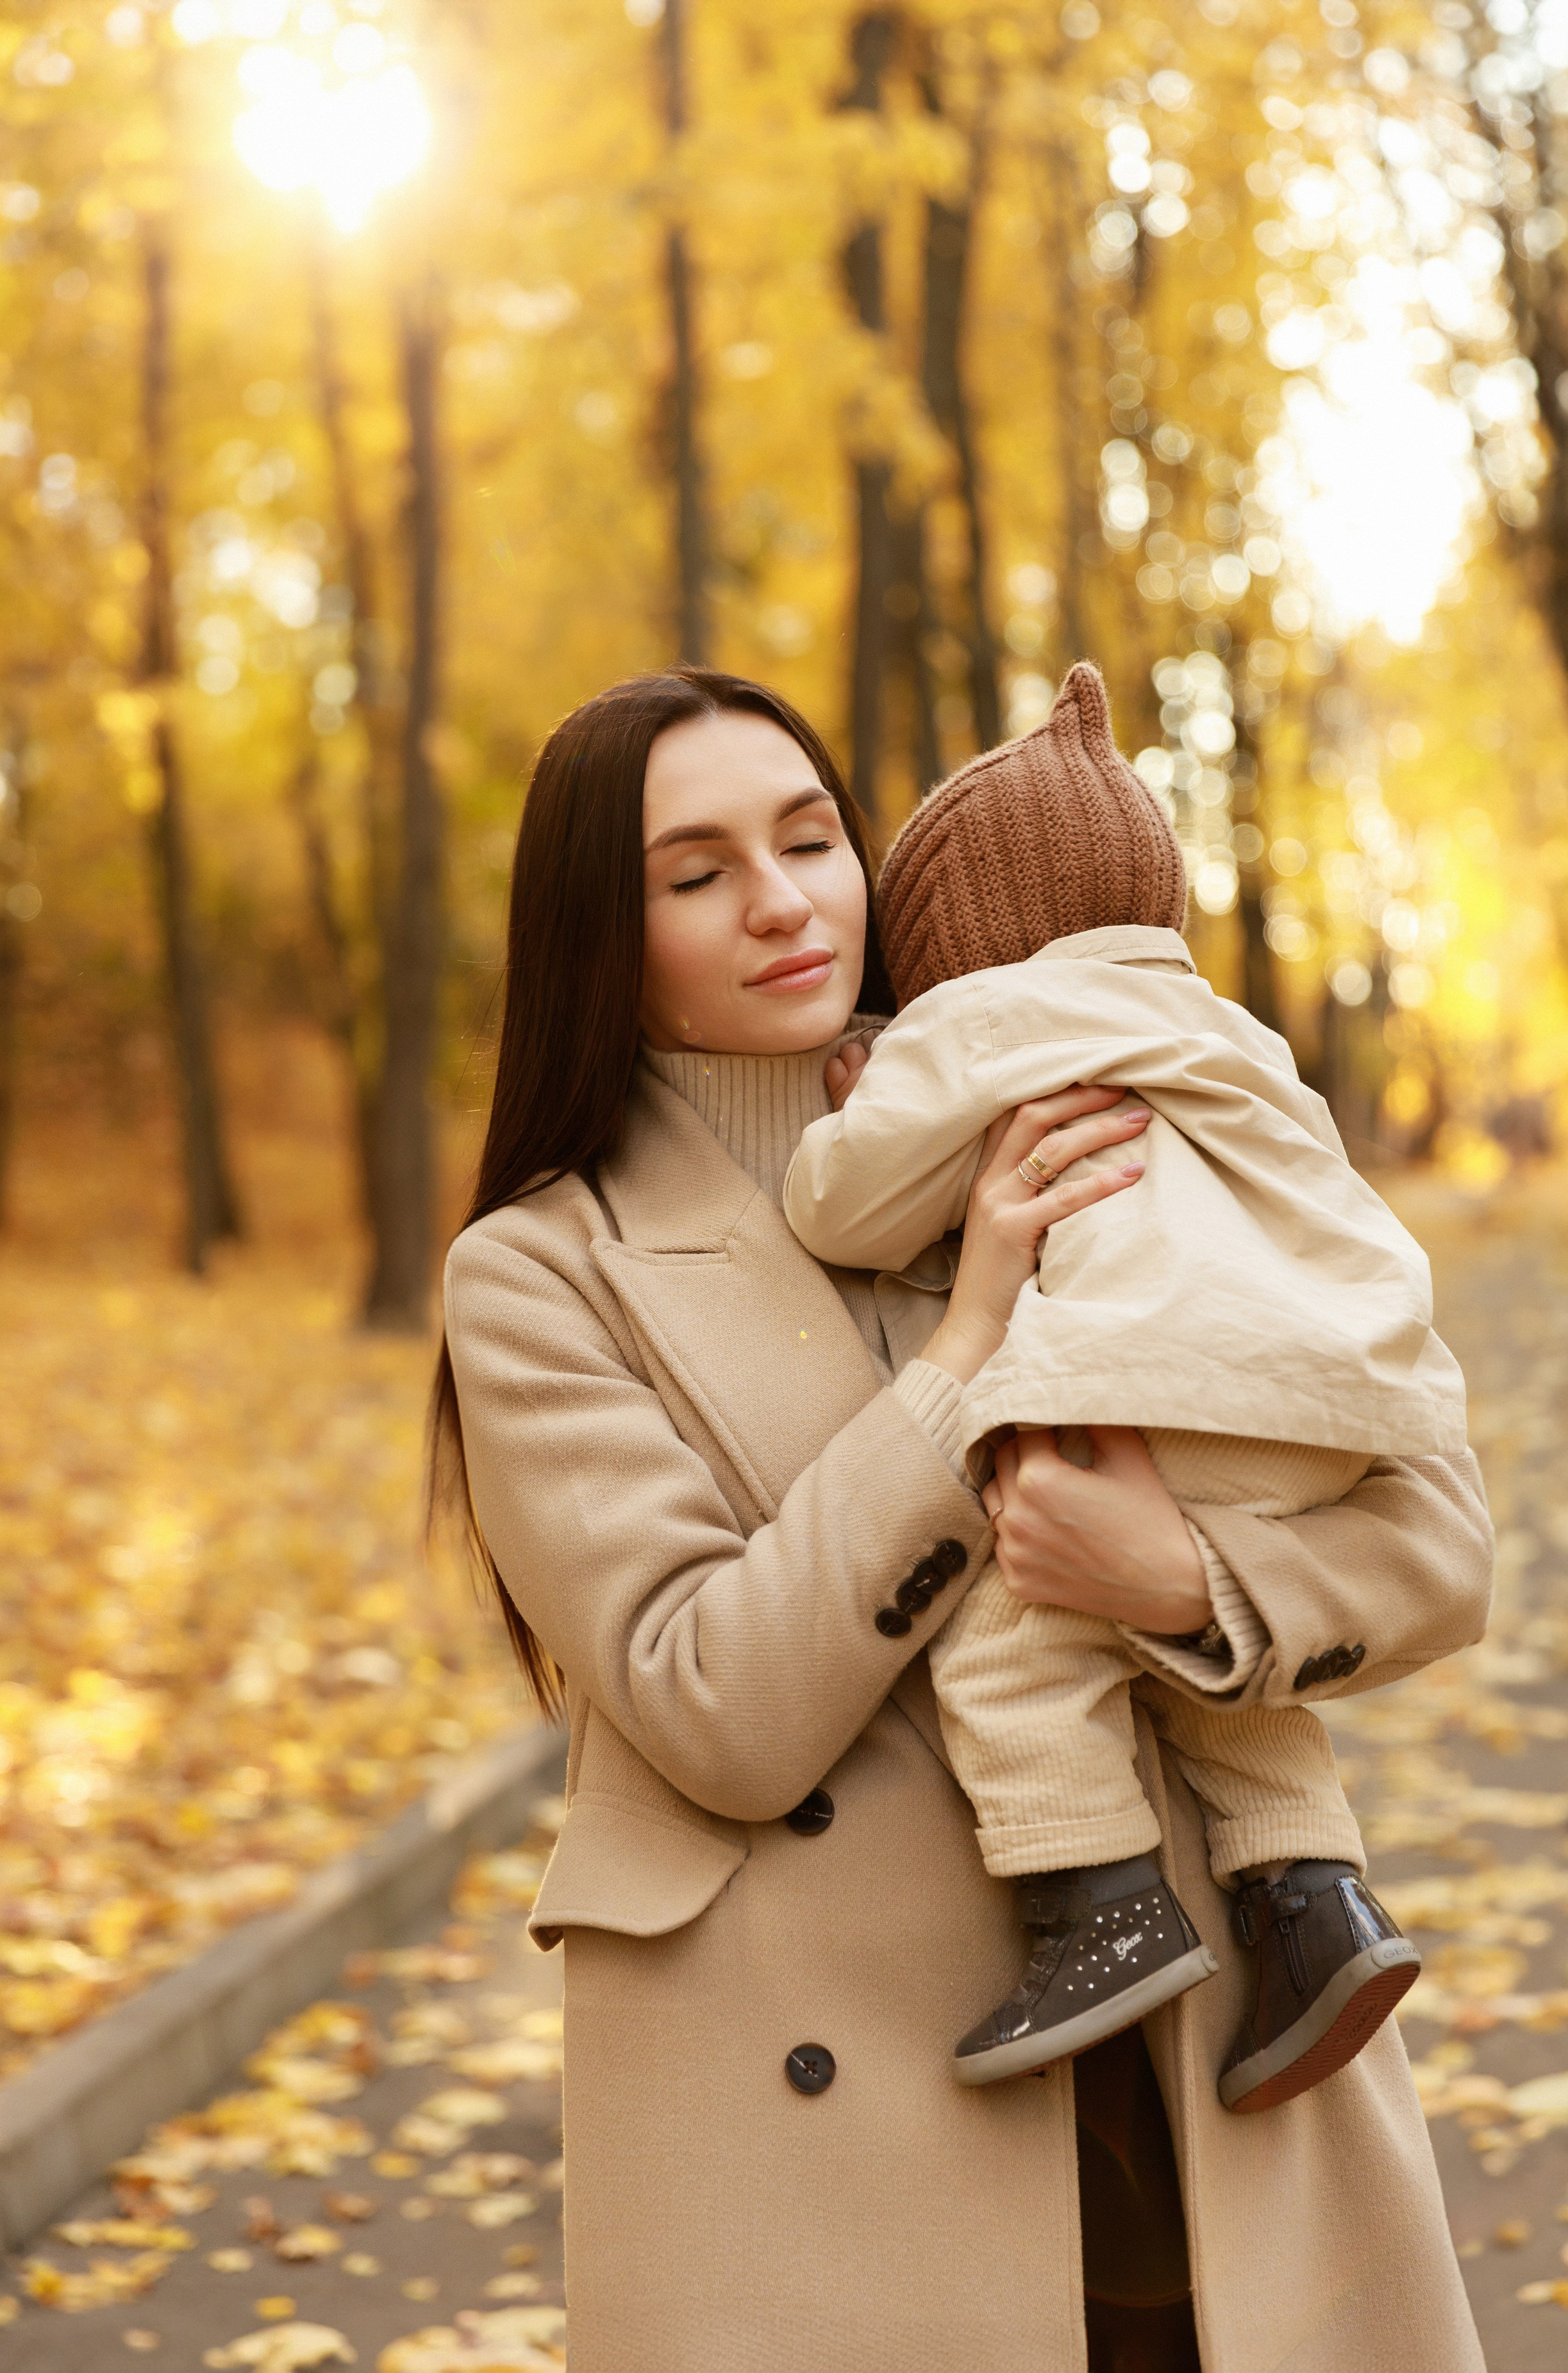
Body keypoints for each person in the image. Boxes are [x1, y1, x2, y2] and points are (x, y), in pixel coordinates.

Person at [435, 665, 1492, 2372]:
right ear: (598, 937)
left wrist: (1189, 1577)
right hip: (824, 2142)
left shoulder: (1078, 1101)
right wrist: (963, 1354)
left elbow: (1438, 1535)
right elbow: (716, 1705)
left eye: (810, 838)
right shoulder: (543, 1272)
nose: (783, 901)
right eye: (697, 874)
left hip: (1210, 2065)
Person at [783, 662, 1467, 2111]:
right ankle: (1314, 1904)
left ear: (961, 941)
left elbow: (842, 1216)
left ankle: (1094, 1901)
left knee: (1012, 1640)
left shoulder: (984, 1022)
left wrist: (869, 1101)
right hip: (1333, 1402)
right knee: (1208, 1657)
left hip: (1158, 1389)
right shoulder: (1216, 1024)